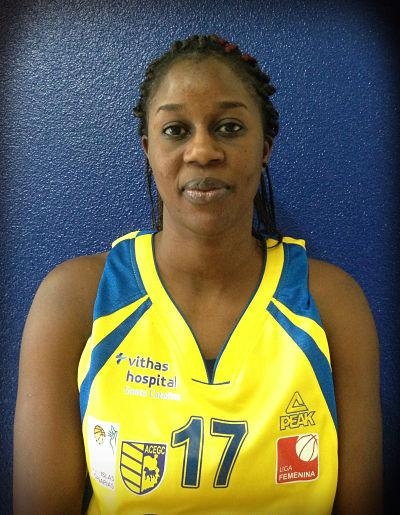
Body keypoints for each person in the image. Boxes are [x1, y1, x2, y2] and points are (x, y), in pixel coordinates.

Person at [13, 34, 382, 514]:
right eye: (176, 130)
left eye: (229, 127)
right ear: (148, 148)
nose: (203, 151)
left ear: (265, 148)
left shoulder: (331, 301)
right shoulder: (74, 299)